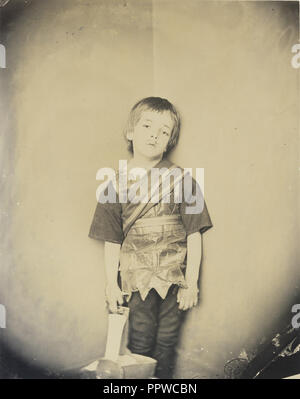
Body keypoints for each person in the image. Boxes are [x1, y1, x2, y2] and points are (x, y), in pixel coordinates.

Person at [89, 97, 213, 378]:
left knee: (167, 343)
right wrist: (111, 285)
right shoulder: (114, 187)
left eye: (164, 131)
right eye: (147, 126)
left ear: (169, 141)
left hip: (174, 281)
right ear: (131, 132)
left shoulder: (183, 181)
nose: (155, 134)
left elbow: (195, 235)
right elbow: (112, 241)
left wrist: (191, 283)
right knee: (140, 343)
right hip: (136, 281)